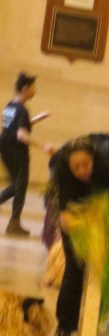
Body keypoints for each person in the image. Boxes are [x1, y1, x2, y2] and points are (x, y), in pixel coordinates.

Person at [52, 138, 109, 336]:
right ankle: (65, 326)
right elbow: (64, 213)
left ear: (93, 159)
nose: (82, 171)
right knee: (74, 270)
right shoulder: (63, 176)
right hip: (77, 230)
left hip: (107, 226)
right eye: (76, 167)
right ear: (69, 167)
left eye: (86, 164)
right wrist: (69, 220)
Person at [0, 72, 52, 236]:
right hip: (17, 150)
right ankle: (14, 223)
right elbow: (21, 135)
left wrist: (35, 120)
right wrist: (43, 146)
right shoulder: (22, 109)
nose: (34, 90)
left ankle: (14, 222)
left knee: (17, 185)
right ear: (25, 88)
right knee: (19, 186)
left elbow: (11, 127)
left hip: (5, 147)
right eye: (32, 87)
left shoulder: (10, 105)